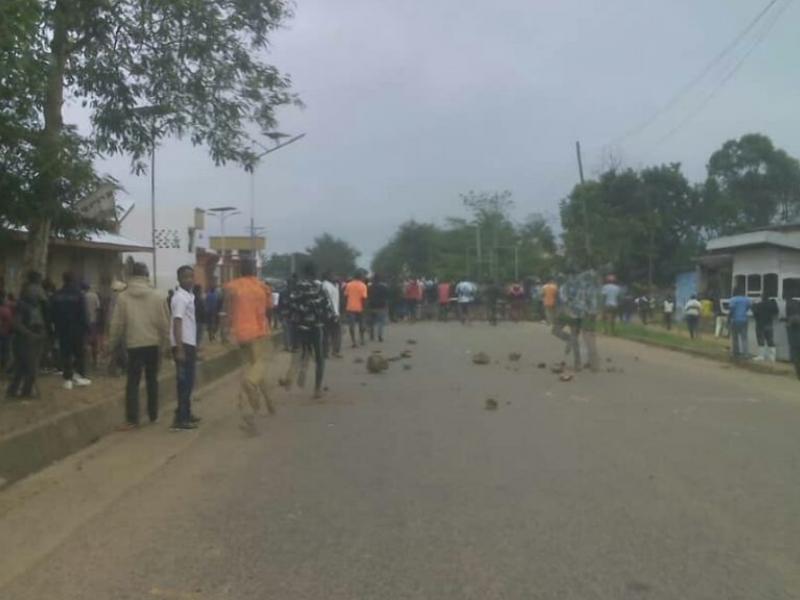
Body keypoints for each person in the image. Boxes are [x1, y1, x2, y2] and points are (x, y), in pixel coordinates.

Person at [108, 263, 170, 429]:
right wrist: (166, 344)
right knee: (152, 380)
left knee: (132, 382)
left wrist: (111, 344)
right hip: (153, 344)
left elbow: (117, 324)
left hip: (134, 345)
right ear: (146, 275)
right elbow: (164, 324)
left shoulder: (123, 297)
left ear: (131, 275)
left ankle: (132, 419)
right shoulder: (158, 296)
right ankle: (153, 415)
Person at [224, 260, 275, 434]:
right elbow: (270, 308)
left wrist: (225, 332)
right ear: (255, 271)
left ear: (239, 270)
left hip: (240, 334)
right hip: (259, 333)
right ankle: (250, 412)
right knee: (256, 371)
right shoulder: (263, 287)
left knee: (249, 368)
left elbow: (226, 310)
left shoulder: (232, 286)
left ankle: (270, 404)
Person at [284, 262, 335, 399]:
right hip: (316, 327)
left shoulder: (297, 288)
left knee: (303, 352)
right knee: (319, 358)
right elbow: (327, 309)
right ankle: (317, 389)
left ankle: (302, 370)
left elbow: (289, 307)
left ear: (304, 273)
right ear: (314, 273)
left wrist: (294, 321)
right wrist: (326, 321)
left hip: (300, 327)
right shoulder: (319, 288)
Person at [6, 272, 48, 399]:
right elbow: (16, 324)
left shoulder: (36, 307)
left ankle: (16, 391)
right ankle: (24, 392)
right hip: (24, 340)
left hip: (33, 339)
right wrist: (30, 334)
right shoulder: (23, 306)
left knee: (23, 368)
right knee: (30, 369)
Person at [170, 265, 199, 430]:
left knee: (189, 382)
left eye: (191, 276)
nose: (189, 280)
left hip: (189, 343)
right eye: (185, 277)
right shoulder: (180, 298)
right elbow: (177, 321)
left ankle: (186, 413)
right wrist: (179, 348)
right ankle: (181, 419)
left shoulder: (189, 296)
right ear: (179, 279)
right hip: (183, 344)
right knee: (184, 382)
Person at [52, 272, 91, 390]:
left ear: (63, 280)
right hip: (77, 329)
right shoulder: (79, 294)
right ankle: (79, 377)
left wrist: (56, 329)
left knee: (66, 354)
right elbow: (83, 313)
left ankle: (67, 380)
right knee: (79, 354)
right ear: (73, 280)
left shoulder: (57, 295)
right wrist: (87, 328)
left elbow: (53, 314)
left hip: (62, 330)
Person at [558, 268, 601, 372]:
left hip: (573, 313)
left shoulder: (567, 285)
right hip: (586, 314)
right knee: (589, 338)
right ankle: (593, 365)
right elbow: (593, 302)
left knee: (574, 336)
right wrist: (593, 313)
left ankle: (578, 363)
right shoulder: (590, 286)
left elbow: (564, 299)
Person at [752, 292, 779, 362]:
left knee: (761, 340)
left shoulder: (759, 305)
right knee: (770, 340)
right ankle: (772, 357)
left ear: (762, 298)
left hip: (760, 325)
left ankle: (761, 356)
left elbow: (755, 313)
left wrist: (754, 304)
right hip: (769, 324)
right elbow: (776, 312)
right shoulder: (771, 304)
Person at [344, 271, 368, 347]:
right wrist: (364, 308)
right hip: (360, 307)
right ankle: (362, 339)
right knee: (362, 324)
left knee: (352, 325)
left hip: (350, 307)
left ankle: (353, 341)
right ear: (361, 277)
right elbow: (363, 298)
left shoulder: (348, 285)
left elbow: (346, 296)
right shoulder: (363, 285)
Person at [321, 271, 342, 358]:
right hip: (329, 313)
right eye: (333, 275)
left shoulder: (335, 285)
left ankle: (335, 351)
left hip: (335, 312)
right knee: (327, 334)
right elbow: (329, 300)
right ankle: (326, 352)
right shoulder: (326, 285)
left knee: (336, 333)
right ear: (328, 276)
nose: (336, 276)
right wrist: (334, 313)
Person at [728, 288, 752, 360]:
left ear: (734, 292)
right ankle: (746, 354)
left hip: (735, 320)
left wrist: (728, 318)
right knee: (744, 338)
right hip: (744, 319)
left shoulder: (733, 299)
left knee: (735, 338)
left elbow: (731, 310)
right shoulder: (746, 299)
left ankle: (736, 353)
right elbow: (749, 307)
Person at [82, 282, 102, 368]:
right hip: (93, 321)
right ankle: (95, 362)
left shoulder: (82, 296)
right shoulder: (94, 295)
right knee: (94, 343)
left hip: (84, 322)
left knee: (84, 343)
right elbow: (98, 309)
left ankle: (85, 362)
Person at [368, 273, 390, 342]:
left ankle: (371, 335)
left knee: (371, 322)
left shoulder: (369, 287)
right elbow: (387, 297)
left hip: (372, 306)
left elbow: (367, 297)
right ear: (380, 279)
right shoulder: (384, 287)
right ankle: (380, 335)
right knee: (381, 322)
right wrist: (386, 305)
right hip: (381, 306)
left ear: (373, 279)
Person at [0, 293, 12, 375]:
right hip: (5, 333)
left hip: (4, 333)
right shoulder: (6, 310)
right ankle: (3, 371)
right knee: (5, 353)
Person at [193, 284, 207, 349]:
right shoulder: (199, 299)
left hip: (195, 320)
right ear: (198, 291)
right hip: (200, 320)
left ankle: (195, 348)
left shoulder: (192, 298)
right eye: (201, 290)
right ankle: (195, 350)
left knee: (196, 336)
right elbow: (202, 310)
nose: (202, 291)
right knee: (198, 336)